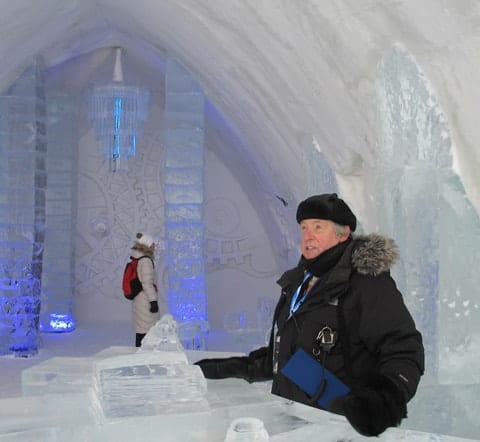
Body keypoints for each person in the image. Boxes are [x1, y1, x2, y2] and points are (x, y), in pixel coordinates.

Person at [195, 193, 425, 437]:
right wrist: (223, 369)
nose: (308, 235)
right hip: (293, 422)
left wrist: (382, 400)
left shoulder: (365, 283)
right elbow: (284, 357)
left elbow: (403, 348)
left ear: (343, 233)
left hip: (339, 426)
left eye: (318, 227)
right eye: (304, 227)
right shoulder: (299, 282)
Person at [130, 232, 160, 347]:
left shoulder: (137, 258)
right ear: (147, 245)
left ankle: (139, 354)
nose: (154, 247)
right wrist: (153, 301)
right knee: (147, 331)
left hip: (139, 298)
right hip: (145, 301)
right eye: (153, 244)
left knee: (141, 330)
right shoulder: (146, 261)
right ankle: (144, 356)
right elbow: (147, 284)